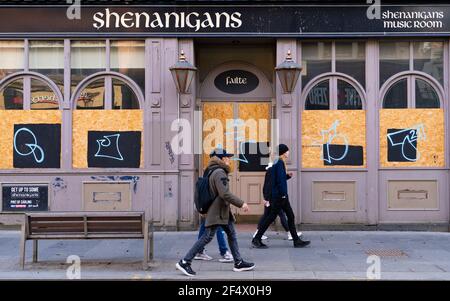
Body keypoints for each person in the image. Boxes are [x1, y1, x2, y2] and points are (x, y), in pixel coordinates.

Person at [176, 148, 255, 276]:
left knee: (231, 234)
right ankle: (185, 261)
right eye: (227, 157)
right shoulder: (219, 173)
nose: (229, 159)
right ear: (222, 159)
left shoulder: (211, 170)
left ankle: (238, 262)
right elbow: (224, 194)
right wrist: (242, 203)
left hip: (222, 211)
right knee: (207, 237)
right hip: (217, 212)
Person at [252, 144, 310, 249]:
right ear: (283, 152)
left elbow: (279, 178)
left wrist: (287, 176)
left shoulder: (278, 162)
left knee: (290, 216)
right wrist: (282, 194)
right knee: (271, 217)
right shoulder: (278, 163)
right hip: (279, 196)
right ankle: (257, 238)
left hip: (281, 195)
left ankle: (296, 240)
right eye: (287, 151)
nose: (288, 152)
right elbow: (278, 181)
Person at [253, 162, 302, 241]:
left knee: (269, 215)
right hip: (275, 198)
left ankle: (257, 234)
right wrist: (266, 198)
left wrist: (287, 176)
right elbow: (268, 185)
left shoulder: (274, 169)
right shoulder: (273, 169)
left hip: (275, 197)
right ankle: (290, 233)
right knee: (278, 215)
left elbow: (278, 180)